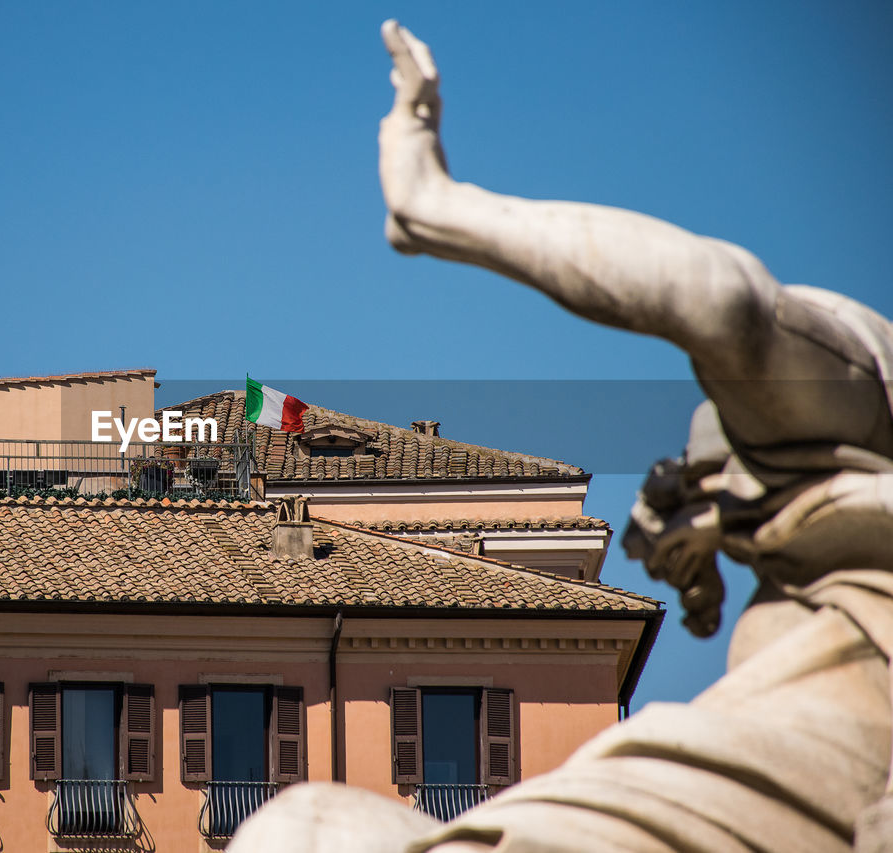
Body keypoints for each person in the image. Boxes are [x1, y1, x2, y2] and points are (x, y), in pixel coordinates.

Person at [230, 21, 893, 852]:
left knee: (305, 827)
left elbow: (719, 297)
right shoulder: (813, 543)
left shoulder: (853, 425)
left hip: (708, 807)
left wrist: (436, 205)